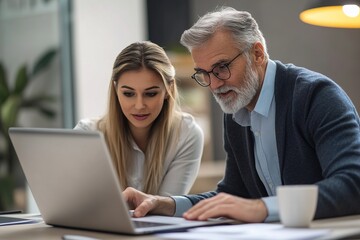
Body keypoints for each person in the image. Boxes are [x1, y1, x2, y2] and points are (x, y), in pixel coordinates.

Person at [123, 7, 360, 222]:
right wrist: (166, 204)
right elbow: (232, 195)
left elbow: (353, 184)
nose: (214, 85)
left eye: (222, 68)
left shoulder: (317, 96)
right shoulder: (236, 108)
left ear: (257, 54)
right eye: (204, 73)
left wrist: (262, 208)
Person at [74, 41, 204, 196]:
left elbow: (166, 207)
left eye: (150, 94)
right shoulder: (87, 134)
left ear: (168, 88)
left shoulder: (187, 134)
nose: (139, 105)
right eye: (128, 94)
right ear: (116, 89)